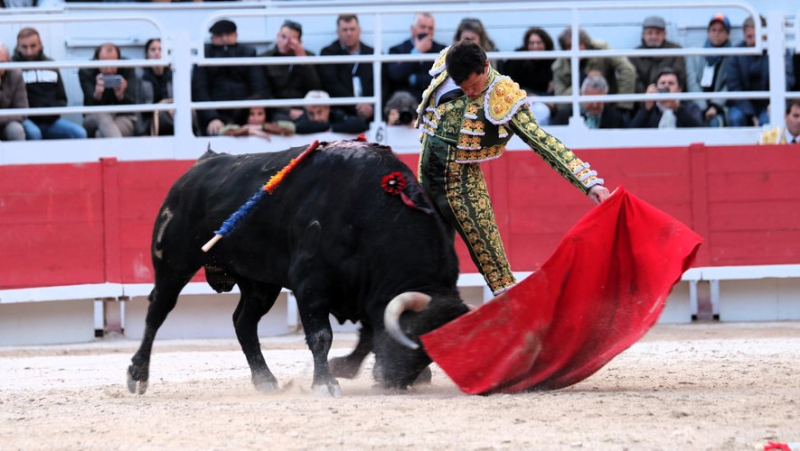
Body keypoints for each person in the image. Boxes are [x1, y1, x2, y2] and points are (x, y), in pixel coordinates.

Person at [416, 40, 610, 295]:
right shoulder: (447, 63)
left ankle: (517, 326)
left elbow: (542, 141)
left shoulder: (503, 94)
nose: (471, 93)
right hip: (426, 181)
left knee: (498, 273)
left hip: (462, 188)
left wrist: (588, 182)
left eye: (475, 85)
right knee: (429, 264)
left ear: (486, 66)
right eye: (464, 88)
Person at [192, 19, 270, 136]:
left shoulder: (248, 53)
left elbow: (258, 85)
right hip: (216, 117)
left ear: (236, 35)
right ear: (212, 38)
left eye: (228, 34)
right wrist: (211, 117)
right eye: (219, 35)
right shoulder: (203, 55)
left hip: (246, 115)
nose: (224, 38)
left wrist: (253, 116)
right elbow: (200, 89)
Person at [14, 27, 87, 140]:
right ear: (18, 47)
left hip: (51, 121)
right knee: (34, 133)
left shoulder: (50, 65)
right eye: (24, 47)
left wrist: (51, 113)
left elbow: (62, 98)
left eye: (33, 46)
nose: (29, 51)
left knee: (80, 133)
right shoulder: (12, 67)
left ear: (40, 45)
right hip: (26, 121)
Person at [726, 15, 795, 127]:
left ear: (764, 34)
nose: (751, 39)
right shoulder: (736, 53)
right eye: (748, 36)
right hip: (742, 105)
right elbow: (734, 87)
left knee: (768, 119)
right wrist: (750, 114)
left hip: (769, 104)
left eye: (755, 36)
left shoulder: (778, 49)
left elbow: (787, 78)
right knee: (736, 117)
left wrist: (774, 103)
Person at [552, 28, 637, 118]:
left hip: (608, 106)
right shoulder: (559, 66)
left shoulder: (601, 49)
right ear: (564, 48)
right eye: (570, 46)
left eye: (580, 44)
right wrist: (584, 81)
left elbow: (627, 70)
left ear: (586, 43)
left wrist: (621, 106)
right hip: (576, 111)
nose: (578, 48)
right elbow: (560, 103)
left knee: (621, 119)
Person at [260, 19, 322, 122]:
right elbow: (263, 93)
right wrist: (287, 111)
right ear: (278, 36)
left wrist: (303, 61)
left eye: (292, 39)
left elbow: (315, 88)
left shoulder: (309, 57)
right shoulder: (265, 59)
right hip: (276, 111)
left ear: (299, 42)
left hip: (305, 110)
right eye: (283, 37)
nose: (285, 42)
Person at [319, 14, 374, 122]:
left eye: (352, 29)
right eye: (345, 30)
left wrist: (371, 108)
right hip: (340, 114)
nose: (349, 33)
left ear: (359, 30)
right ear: (338, 32)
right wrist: (357, 106)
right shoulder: (328, 53)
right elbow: (331, 84)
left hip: (370, 113)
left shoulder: (372, 53)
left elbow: (382, 84)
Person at [78, 43, 140, 138]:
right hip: (93, 118)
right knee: (101, 114)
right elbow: (88, 107)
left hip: (123, 117)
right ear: (97, 60)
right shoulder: (86, 71)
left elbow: (133, 104)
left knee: (100, 135)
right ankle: (120, 150)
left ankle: (114, 150)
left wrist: (120, 96)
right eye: (104, 64)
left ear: (119, 60)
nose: (109, 69)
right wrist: (97, 94)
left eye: (113, 64)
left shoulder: (127, 67)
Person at [385, 12, 446, 102]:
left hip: (432, 102)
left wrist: (415, 79)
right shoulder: (397, 50)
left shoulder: (442, 50)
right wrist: (417, 52)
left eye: (430, 28)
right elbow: (395, 75)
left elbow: (442, 79)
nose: (426, 31)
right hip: (405, 104)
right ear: (412, 29)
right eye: (422, 27)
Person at [503, 27, 557, 125]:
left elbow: (553, 93)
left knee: (541, 112)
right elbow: (513, 86)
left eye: (539, 42)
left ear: (546, 44)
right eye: (531, 43)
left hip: (542, 104)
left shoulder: (553, 61)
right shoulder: (517, 60)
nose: (535, 46)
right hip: (520, 101)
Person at [686, 13, 732, 127]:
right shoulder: (694, 54)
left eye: (721, 30)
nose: (717, 33)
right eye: (713, 29)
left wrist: (715, 106)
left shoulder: (734, 55)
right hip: (697, 104)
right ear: (708, 32)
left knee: (716, 123)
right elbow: (691, 81)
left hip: (721, 106)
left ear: (727, 34)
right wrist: (704, 107)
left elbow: (729, 84)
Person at [629, 66, 703, 128]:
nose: (666, 86)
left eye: (671, 83)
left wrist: (677, 109)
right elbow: (631, 132)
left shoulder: (690, 107)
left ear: (679, 89)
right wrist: (647, 109)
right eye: (662, 83)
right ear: (656, 87)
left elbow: (699, 129)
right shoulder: (650, 108)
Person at [629, 16, 687, 94]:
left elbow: (680, 77)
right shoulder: (634, 55)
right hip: (643, 100)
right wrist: (646, 96)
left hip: (670, 97)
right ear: (643, 35)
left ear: (664, 34)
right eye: (650, 33)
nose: (654, 37)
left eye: (658, 33)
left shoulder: (675, 51)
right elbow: (634, 81)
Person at [552, 72, 626, 128]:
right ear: (581, 94)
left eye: (599, 101)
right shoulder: (564, 116)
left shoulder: (615, 119)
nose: (594, 105)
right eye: (590, 100)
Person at [136, 38, 174, 136]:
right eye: (153, 50)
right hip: (151, 119)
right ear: (147, 54)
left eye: (160, 49)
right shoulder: (140, 75)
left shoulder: (173, 73)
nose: (157, 53)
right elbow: (138, 105)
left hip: (173, 114)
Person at [292, 90, 369, 134]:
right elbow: (297, 127)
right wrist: (326, 127)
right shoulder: (302, 120)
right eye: (311, 113)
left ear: (328, 108)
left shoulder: (336, 116)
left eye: (319, 112)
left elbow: (361, 125)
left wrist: (331, 128)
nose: (316, 118)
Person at [0, 43, 29, 141]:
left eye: (2, 62)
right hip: (7, 118)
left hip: (8, 122)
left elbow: (22, 111)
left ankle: (22, 156)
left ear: (9, 61)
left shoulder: (15, 74)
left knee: (16, 130)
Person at [219, 104, 294, 139]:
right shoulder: (239, 126)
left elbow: (291, 128)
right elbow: (222, 131)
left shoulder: (273, 125)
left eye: (260, 114)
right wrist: (250, 130)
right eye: (252, 114)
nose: (256, 118)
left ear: (266, 114)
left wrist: (262, 127)